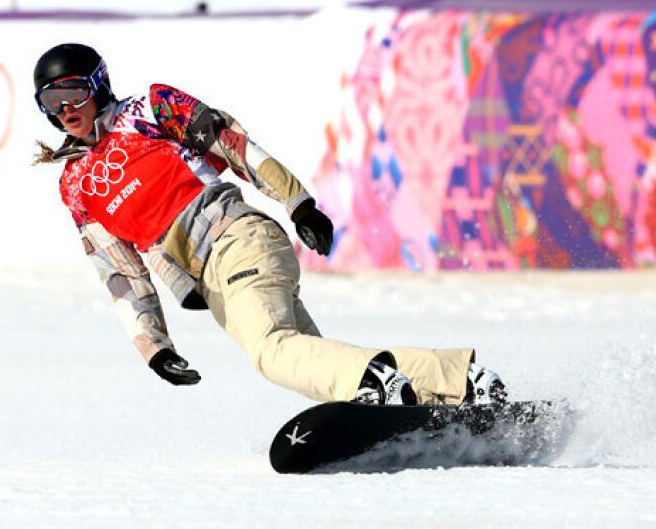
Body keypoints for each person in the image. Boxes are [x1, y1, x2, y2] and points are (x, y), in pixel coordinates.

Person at [32, 43, 506, 406]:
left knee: (273, 353)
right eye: (51, 101)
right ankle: (458, 381)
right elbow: (121, 273)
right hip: (210, 281)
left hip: (237, 241)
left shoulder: (148, 111)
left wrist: (297, 201)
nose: (65, 108)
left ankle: (377, 385)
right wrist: (153, 345)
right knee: (313, 366)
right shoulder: (76, 185)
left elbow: (233, 145)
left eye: (73, 92)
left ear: (98, 84)